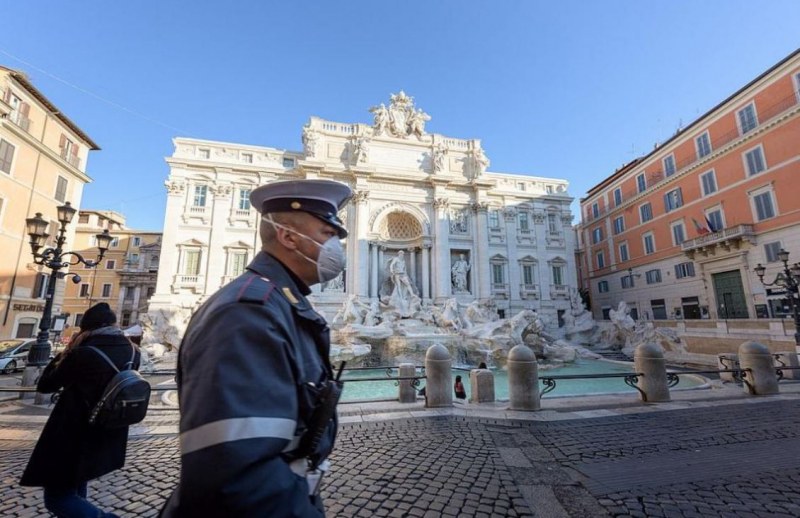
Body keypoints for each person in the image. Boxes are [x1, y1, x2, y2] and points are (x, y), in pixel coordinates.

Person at [160, 179, 353, 517]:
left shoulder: (278, 303)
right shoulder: (248, 312)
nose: (336, 246)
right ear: (289, 237)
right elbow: (238, 472)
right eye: (327, 233)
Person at [20, 302, 140, 518]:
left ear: (86, 328)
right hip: (107, 431)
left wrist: (65, 353)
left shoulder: (82, 353)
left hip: (72, 432)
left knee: (58, 498)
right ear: (113, 324)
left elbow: (46, 385)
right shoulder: (133, 352)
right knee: (76, 484)